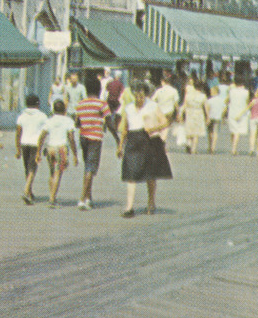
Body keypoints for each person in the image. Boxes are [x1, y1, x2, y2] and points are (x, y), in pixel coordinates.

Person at [116, 80, 172, 217]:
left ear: (145, 95)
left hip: (149, 140)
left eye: (141, 96)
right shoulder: (128, 108)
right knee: (130, 174)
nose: (139, 99)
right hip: (133, 141)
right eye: (136, 96)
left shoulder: (153, 106)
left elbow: (165, 122)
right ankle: (129, 208)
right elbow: (125, 128)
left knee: (150, 174)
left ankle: (151, 201)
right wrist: (120, 146)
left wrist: (153, 128)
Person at [73, 76, 111, 211]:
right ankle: (82, 199)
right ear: (99, 89)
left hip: (83, 137)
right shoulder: (102, 104)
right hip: (95, 138)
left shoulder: (80, 104)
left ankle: (89, 198)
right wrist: (117, 139)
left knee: (87, 166)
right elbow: (110, 121)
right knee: (91, 168)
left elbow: (77, 123)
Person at [37, 99, 79, 208]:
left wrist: (38, 152)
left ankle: (52, 197)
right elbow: (71, 138)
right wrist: (75, 154)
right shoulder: (68, 121)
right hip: (61, 149)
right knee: (57, 174)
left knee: (52, 173)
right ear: (65, 109)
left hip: (50, 148)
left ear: (53, 109)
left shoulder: (49, 120)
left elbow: (42, 136)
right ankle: (52, 200)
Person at [14, 94, 49, 205]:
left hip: (24, 143)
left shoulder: (22, 116)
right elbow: (45, 133)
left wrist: (18, 149)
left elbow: (18, 133)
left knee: (27, 168)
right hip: (36, 144)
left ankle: (29, 191)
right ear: (37, 104)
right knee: (32, 169)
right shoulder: (43, 116)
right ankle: (26, 192)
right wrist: (45, 147)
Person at [151, 73, 180, 151]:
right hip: (169, 112)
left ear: (162, 81)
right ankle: (163, 141)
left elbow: (153, 100)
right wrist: (178, 114)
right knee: (165, 128)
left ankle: (160, 142)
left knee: (159, 127)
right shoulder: (174, 91)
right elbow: (176, 104)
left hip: (159, 111)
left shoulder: (158, 90)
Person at [180, 74, 208, 155]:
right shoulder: (203, 96)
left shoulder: (188, 95)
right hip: (198, 113)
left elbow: (184, 105)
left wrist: (181, 114)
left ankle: (189, 144)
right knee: (196, 132)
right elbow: (206, 107)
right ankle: (194, 149)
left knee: (189, 130)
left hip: (189, 112)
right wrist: (208, 117)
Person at [225, 74, 252, 155]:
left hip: (232, 111)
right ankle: (234, 149)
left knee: (233, 131)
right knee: (237, 131)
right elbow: (247, 102)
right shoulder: (246, 92)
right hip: (241, 112)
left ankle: (233, 147)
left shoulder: (231, 91)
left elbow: (226, 101)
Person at [204, 84, 226, 153]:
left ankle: (210, 145)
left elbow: (207, 109)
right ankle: (213, 147)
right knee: (216, 132)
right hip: (218, 117)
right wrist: (222, 116)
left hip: (211, 116)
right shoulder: (222, 100)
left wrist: (207, 117)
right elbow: (225, 109)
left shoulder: (209, 100)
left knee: (210, 132)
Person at [247, 86, 258, 156]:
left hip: (253, 119)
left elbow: (247, 108)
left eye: (256, 92)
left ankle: (251, 149)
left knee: (252, 135)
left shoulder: (253, 101)